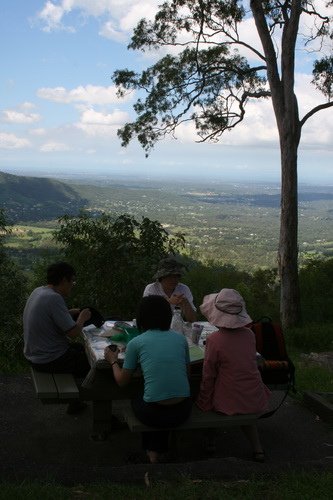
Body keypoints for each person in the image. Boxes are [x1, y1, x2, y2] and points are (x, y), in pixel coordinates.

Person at [104, 295, 192, 464]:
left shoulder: (136, 343)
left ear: (142, 319)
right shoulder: (181, 339)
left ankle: (152, 455)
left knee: (144, 398)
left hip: (153, 414)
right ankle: (157, 452)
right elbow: (186, 376)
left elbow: (122, 381)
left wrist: (113, 360)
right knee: (158, 397)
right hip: (183, 411)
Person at [196, 288, 271, 462]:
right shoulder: (249, 334)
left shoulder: (214, 340)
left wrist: (203, 402)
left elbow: (208, 376)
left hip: (229, 401)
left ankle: (211, 439)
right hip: (254, 396)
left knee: (210, 402)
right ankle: (258, 448)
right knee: (244, 411)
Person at [23, 261, 91, 413]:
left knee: (81, 349)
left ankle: (76, 403)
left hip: (35, 355)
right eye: (72, 280)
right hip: (49, 359)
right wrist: (82, 318)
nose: (73, 284)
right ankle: (101, 412)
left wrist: (69, 313)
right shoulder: (54, 298)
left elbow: (52, 317)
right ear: (63, 280)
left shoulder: (39, 291)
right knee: (95, 365)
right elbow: (73, 333)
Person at [143, 256, 197, 322]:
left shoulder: (184, 289)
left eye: (176, 276)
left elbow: (192, 320)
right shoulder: (151, 289)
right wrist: (168, 302)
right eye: (169, 277)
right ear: (161, 277)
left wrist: (185, 303)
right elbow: (146, 315)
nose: (174, 280)